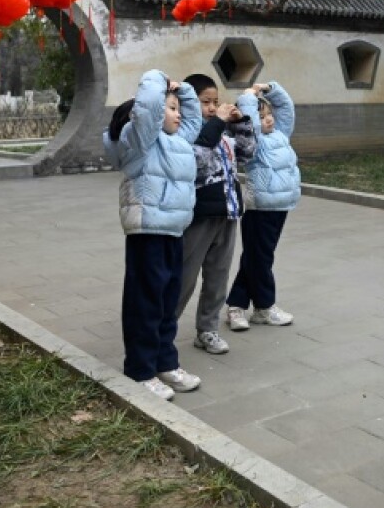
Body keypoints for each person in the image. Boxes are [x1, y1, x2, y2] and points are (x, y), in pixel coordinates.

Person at [103, 70, 203, 401]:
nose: (178, 114)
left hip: (173, 230)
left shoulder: (177, 142)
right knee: (145, 302)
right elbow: (146, 110)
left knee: (166, 300)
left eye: (177, 108)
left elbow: (193, 121)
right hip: (147, 229)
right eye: (171, 108)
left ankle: (165, 362)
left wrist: (184, 91)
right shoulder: (140, 142)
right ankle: (140, 369)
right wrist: (158, 79)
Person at [178, 73, 256, 355]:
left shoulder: (221, 133)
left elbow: (248, 154)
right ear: (189, 104)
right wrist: (217, 122)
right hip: (199, 217)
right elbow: (197, 161)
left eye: (215, 102)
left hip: (229, 212)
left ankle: (207, 330)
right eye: (204, 102)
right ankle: (162, 332)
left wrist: (241, 123)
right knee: (184, 279)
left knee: (218, 276)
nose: (212, 107)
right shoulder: (185, 134)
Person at [225, 81, 301, 331]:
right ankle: (264, 306)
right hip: (261, 208)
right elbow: (250, 125)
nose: (268, 120)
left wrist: (270, 89)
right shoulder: (253, 142)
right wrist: (247, 98)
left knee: (256, 258)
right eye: (261, 117)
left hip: (281, 206)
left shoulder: (281, 134)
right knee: (260, 259)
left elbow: (286, 109)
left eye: (269, 115)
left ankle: (238, 306)